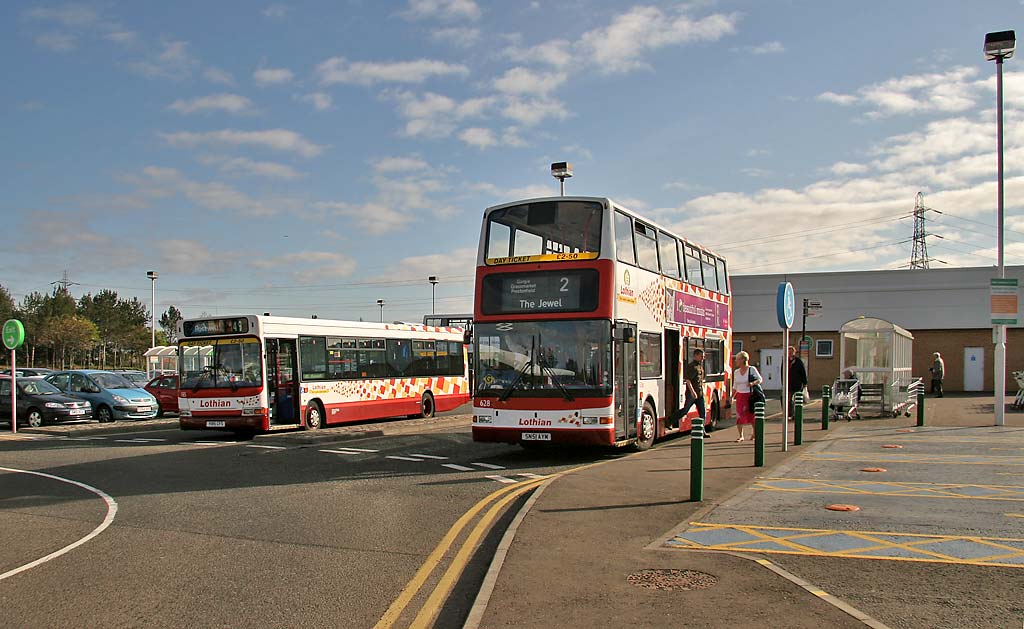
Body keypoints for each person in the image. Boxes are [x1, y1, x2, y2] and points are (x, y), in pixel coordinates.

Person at [679, 348, 711, 436]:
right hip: (692, 394)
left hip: (700, 393)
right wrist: (693, 392)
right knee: (685, 410)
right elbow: (688, 380)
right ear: (696, 355)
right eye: (701, 356)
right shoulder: (692, 366)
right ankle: (670, 420)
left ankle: (702, 431)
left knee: (703, 413)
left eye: (703, 356)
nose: (703, 358)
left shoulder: (700, 366)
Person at [732, 351, 762, 442]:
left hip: (749, 395)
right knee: (739, 416)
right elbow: (735, 386)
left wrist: (752, 383)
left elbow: (760, 379)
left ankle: (754, 433)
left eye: (737, 359)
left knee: (751, 415)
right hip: (740, 396)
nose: (736, 361)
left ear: (743, 360)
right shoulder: (736, 372)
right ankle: (741, 435)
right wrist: (732, 397)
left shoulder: (751, 369)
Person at [787, 345, 808, 418]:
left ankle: (796, 414)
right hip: (789, 384)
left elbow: (803, 372)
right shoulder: (786, 361)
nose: (790, 353)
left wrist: (805, 383)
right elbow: (782, 372)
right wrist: (783, 383)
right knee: (789, 400)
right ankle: (790, 414)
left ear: (794, 353)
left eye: (791, 352)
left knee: (797, 400)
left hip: (798, 384)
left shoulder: (798, 361)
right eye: (788, 352)